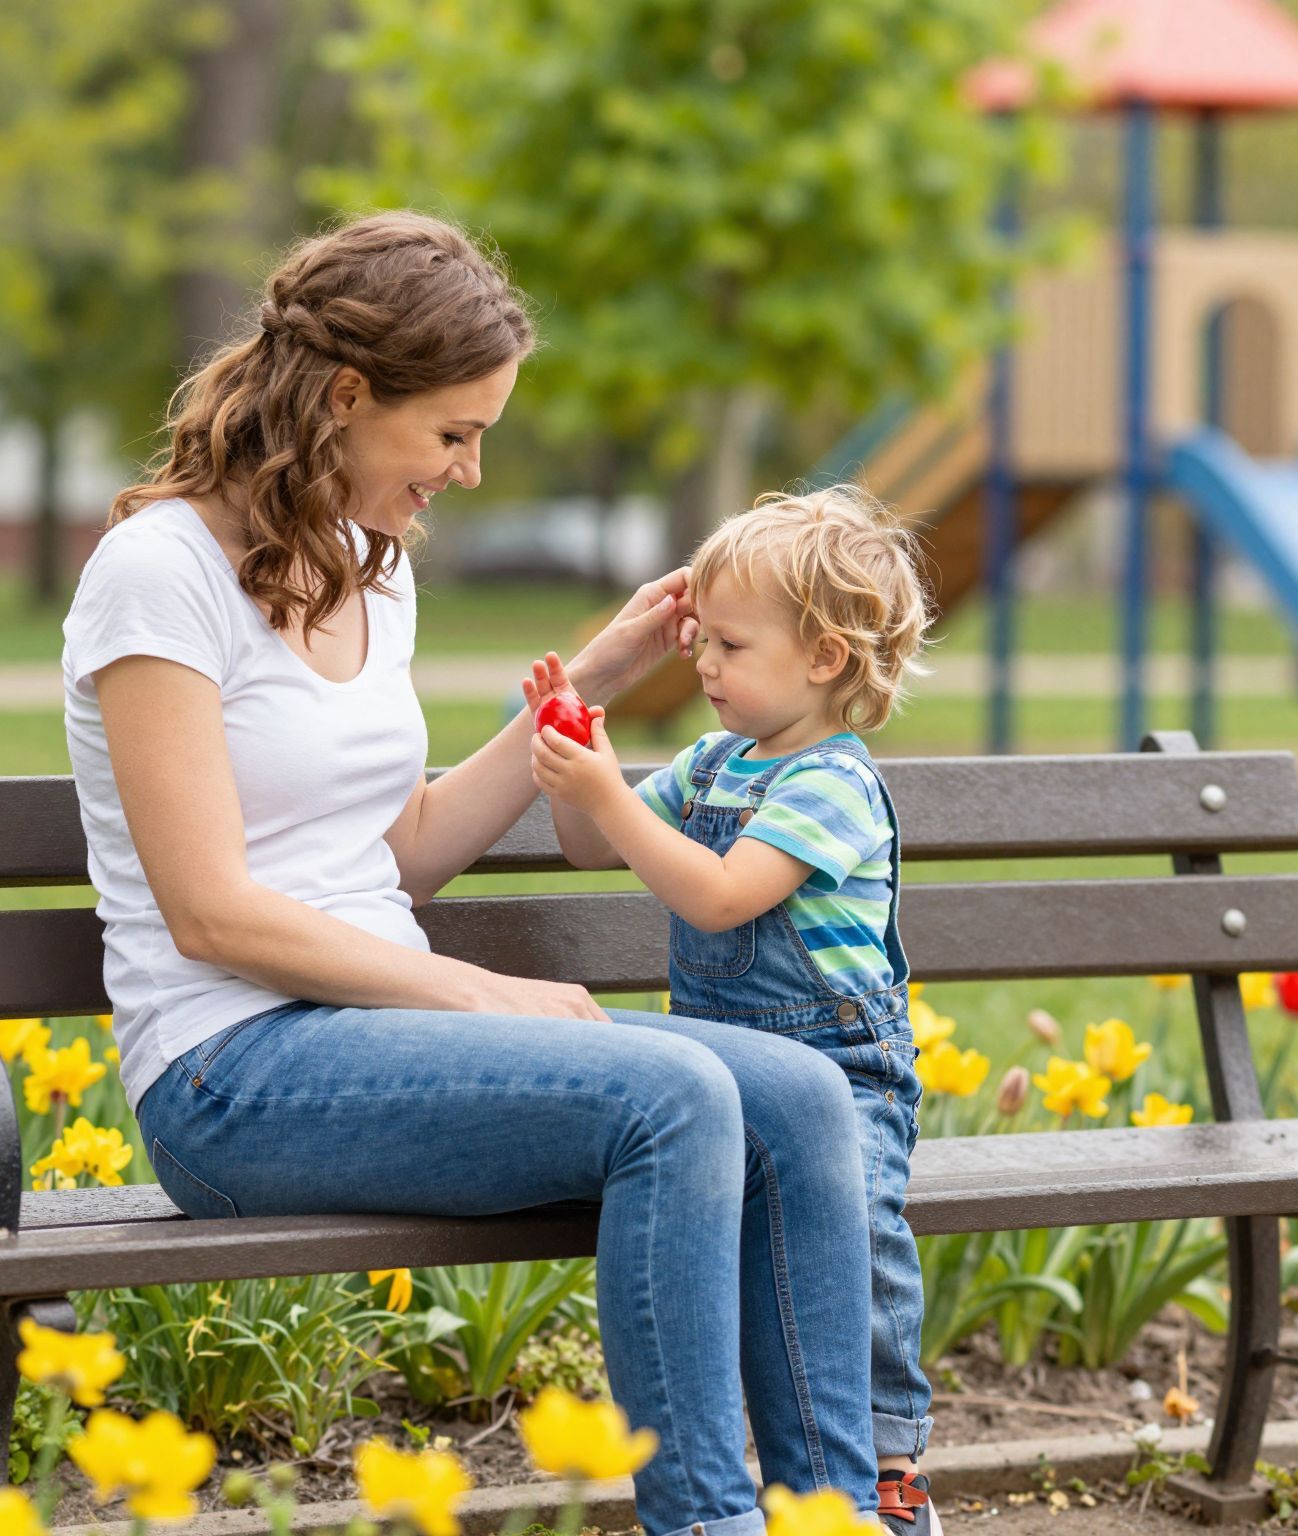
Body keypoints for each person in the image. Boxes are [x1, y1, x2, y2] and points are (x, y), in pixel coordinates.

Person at [60, 210, 880, 1536]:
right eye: (453, 433)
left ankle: (842, 1515)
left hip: (369, 1032)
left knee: (796, 1095)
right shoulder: (159, 576)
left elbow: (409, 851)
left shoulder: (373, 572)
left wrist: (598, 675)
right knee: (671, 1095)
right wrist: (481, 999)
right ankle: (713, 1527)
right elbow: (212, 911)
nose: (473, 471)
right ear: (345, 397)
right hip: (231, 1074)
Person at [523, 486, 942, 1536]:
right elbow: (589, 848)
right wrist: (575, 763)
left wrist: (612, 797)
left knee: (858, 1234)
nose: (701, 666)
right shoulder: (714, 765)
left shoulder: (831, 783)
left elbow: (717, 895)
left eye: (730, 646)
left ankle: (889, 1466)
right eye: (699, 641)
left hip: (838, 1072)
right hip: (722, 1073)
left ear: (824, 658)